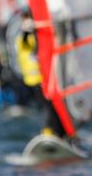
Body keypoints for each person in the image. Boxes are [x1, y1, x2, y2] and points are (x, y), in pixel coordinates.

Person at [15, 9, 67, 139]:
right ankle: (50, 131)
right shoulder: (24, 38)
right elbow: (28, 47)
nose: (27, 20)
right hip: (36, 80)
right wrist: (29, 31)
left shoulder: (35, 35)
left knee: (53, 107)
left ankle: (60, 132)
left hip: (44, 79)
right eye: (25, 18)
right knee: (47, 108)